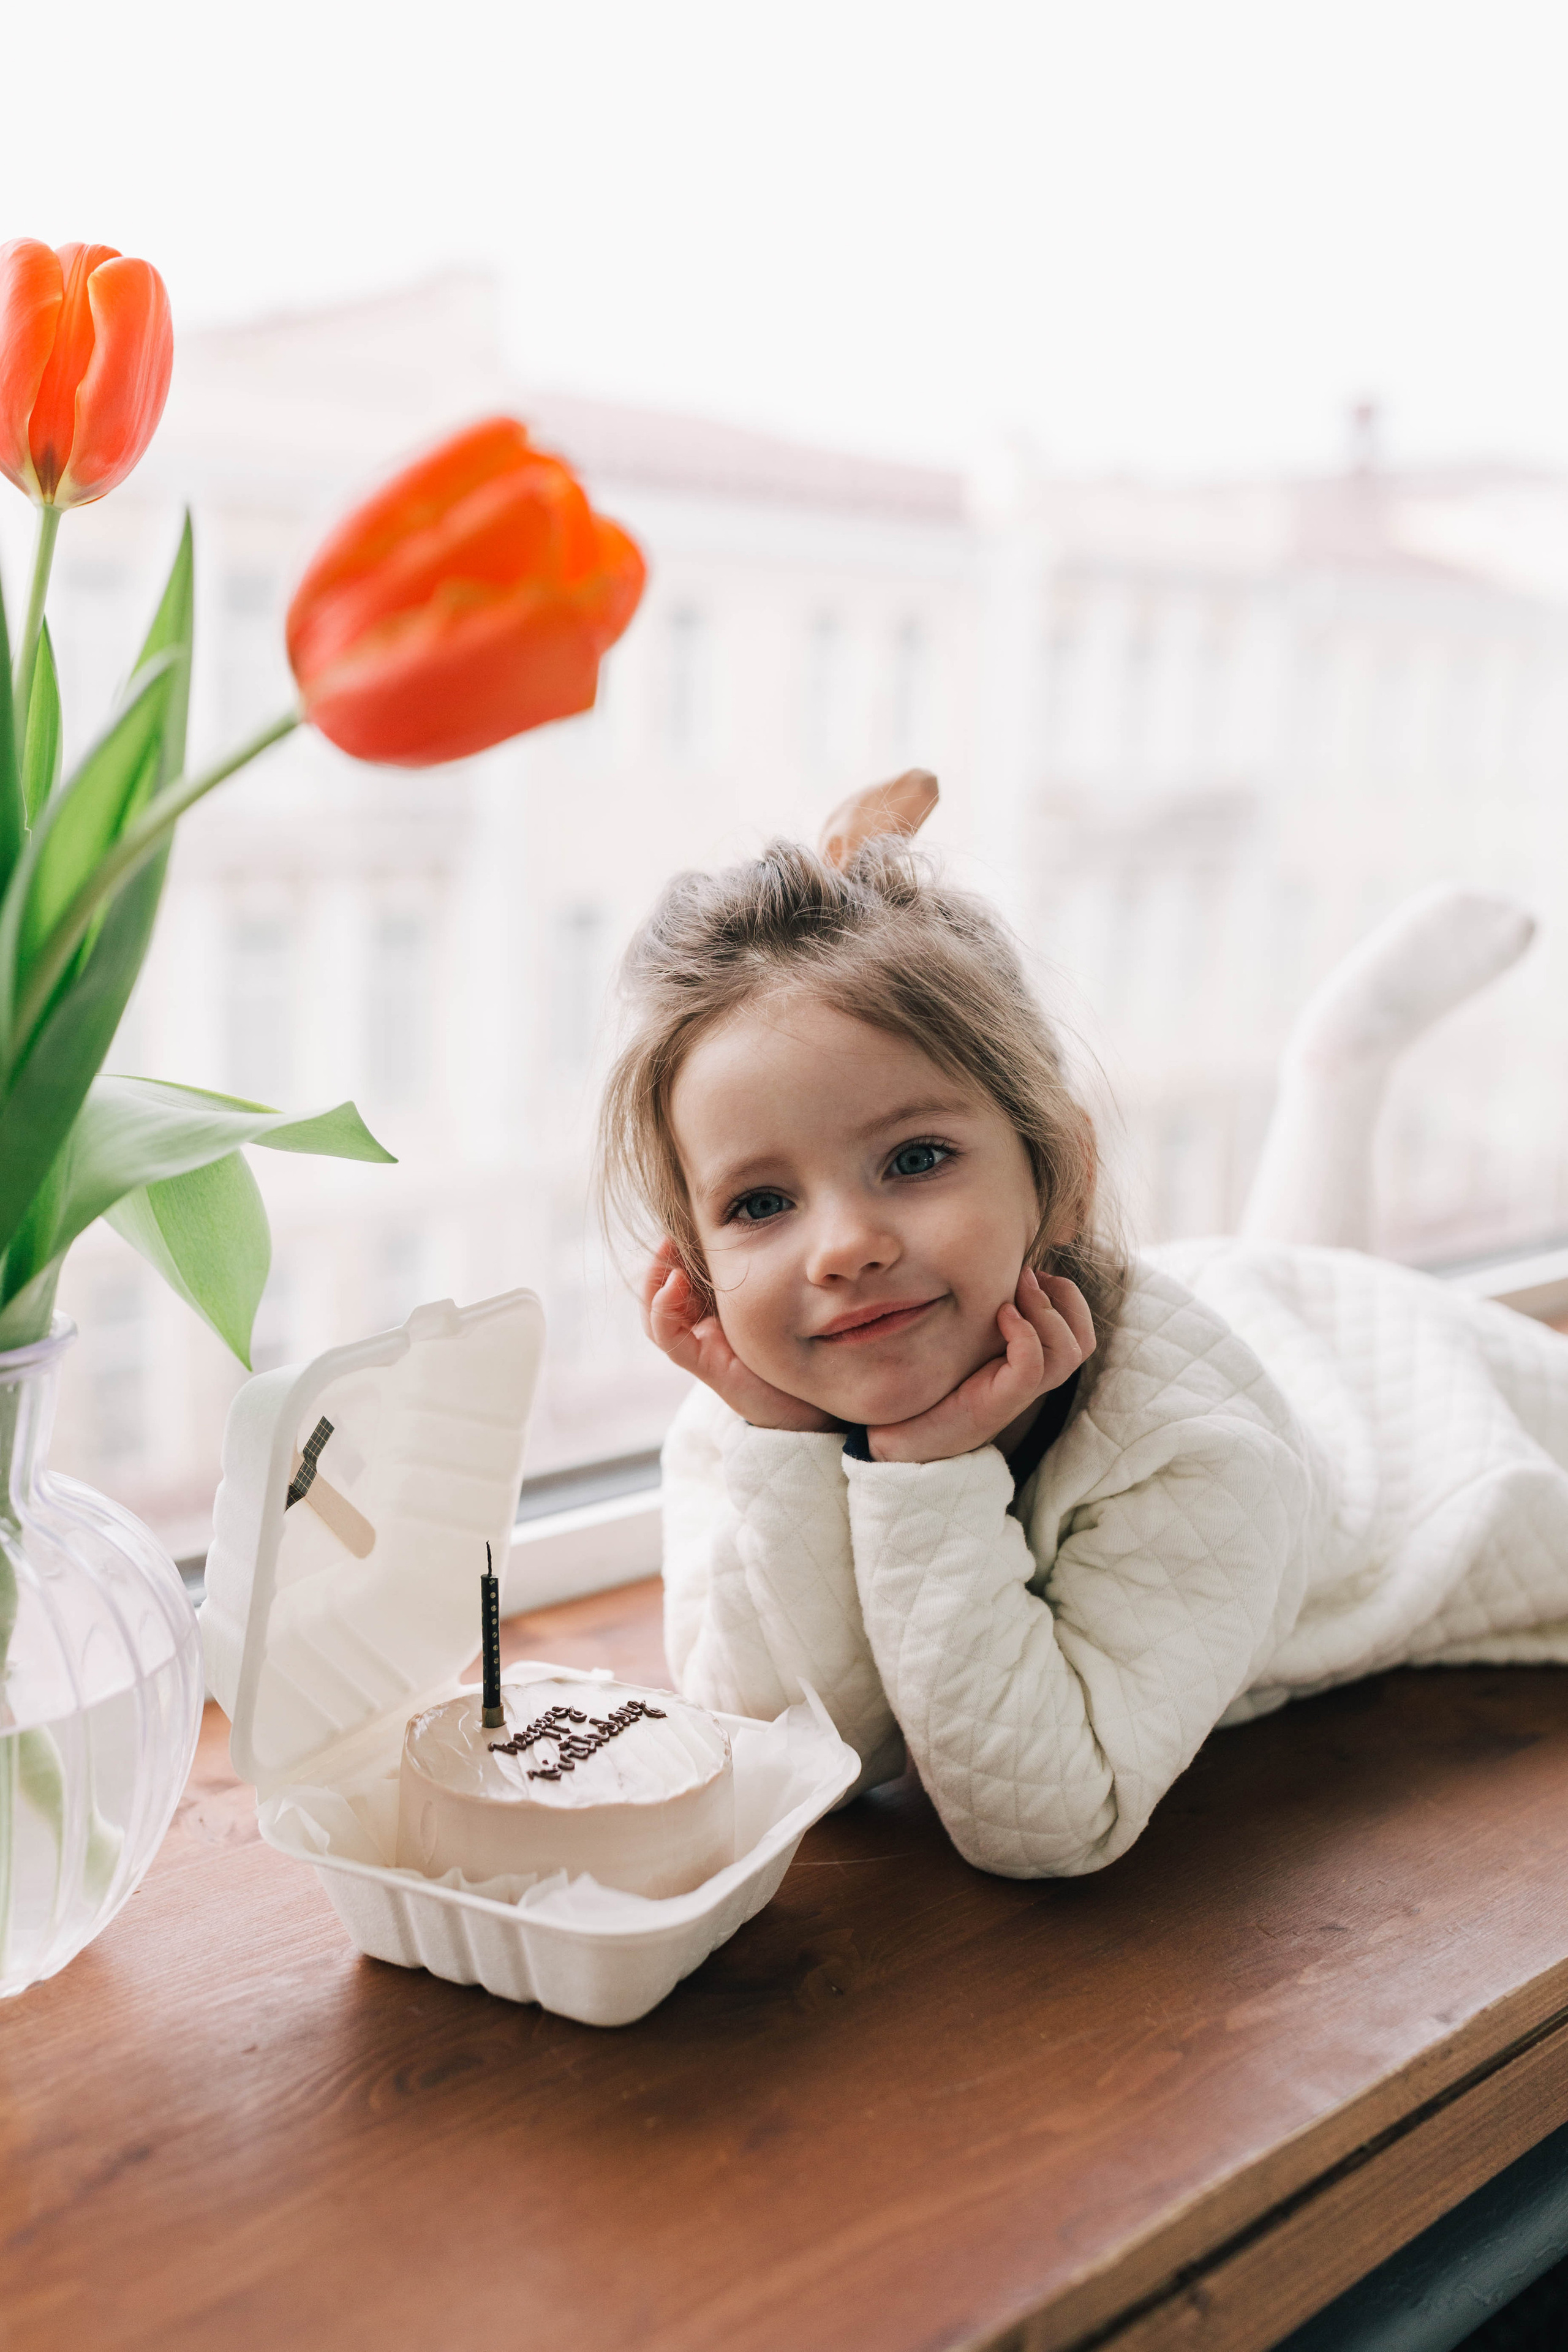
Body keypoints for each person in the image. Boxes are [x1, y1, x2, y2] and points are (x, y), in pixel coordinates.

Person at [595, 776, 1568, 1880]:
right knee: (1293, 1269)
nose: (842, 1249)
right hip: (1236, 1321)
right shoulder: (749, 1407)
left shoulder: (1193, 1448)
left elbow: (1053, 1821)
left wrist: (927, 1465)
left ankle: (1336, 1066)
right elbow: (805, 1750)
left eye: (915, 1160)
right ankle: (1336, 1069)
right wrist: (789, 1448)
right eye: (760, 1205)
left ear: (1060, 1174)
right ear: (697, 1262)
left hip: (1417, 1433)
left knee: (1331, 1302)